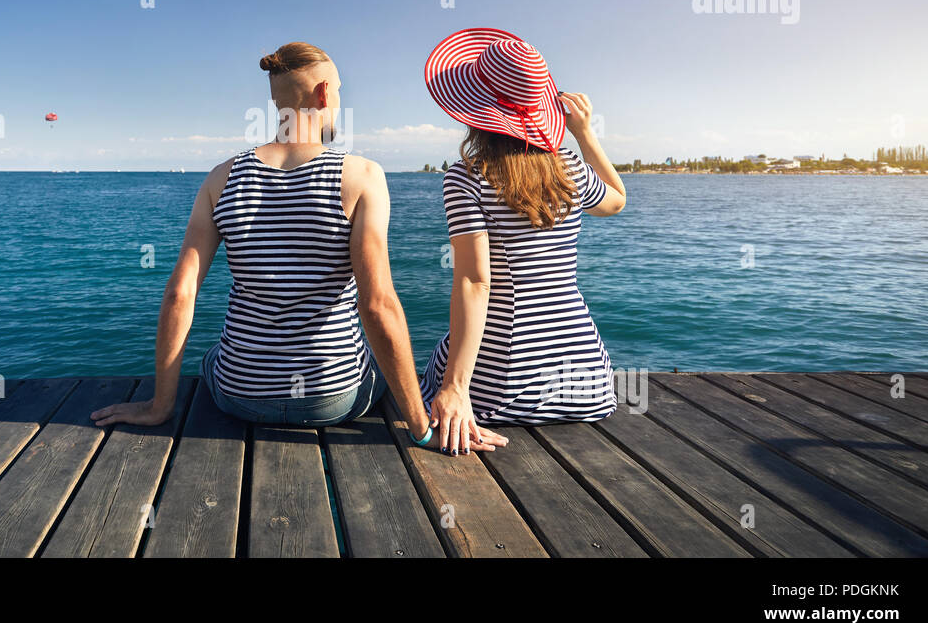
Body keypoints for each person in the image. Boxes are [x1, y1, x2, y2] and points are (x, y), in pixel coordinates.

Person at [92, 41, 508, 454]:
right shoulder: (361, 176)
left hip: (239, 394)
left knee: (213, 358)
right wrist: (420, 429)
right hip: (334, 398)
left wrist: (159, 406)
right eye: (340, 90)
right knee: (388, 372)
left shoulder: (221, 178)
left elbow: (179, 294)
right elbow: (378, 304)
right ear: (324, 93)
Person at [418, 28, 626, 452]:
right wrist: (585, 134)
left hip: (499, 393)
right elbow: (616, 201)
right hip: (585, 387)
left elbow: (476, 283)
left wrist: (457, 387)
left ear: (475, 106)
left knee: (432, 368)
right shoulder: (570, 168)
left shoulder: (467, 177)